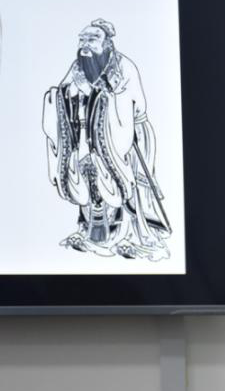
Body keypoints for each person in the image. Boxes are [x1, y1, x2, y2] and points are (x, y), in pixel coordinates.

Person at [42, 19, 171, 260]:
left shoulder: (123, 67)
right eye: (82, 39)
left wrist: (105, 98)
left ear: (107, 43)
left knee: (131, 185)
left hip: (126, 135)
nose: (85, 44)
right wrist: (67, 96)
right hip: (88, 136)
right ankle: (95, 234)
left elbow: (132, 104)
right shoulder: (78, 67)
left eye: (92, 39)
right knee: (91, 181)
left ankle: (137, 236)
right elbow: (64, 91)